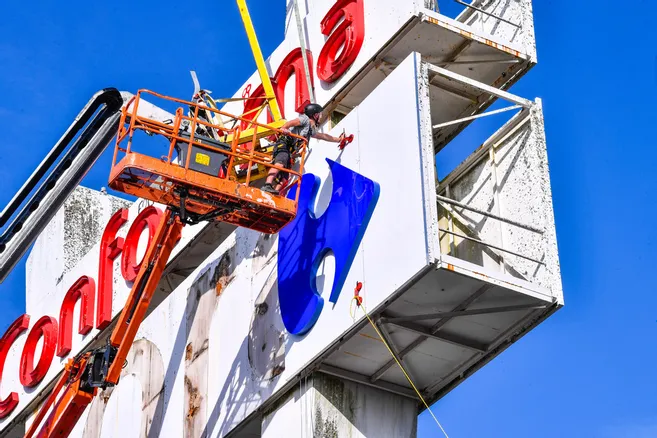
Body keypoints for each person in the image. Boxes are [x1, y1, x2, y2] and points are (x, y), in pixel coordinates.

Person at [261, 103, 344, 194]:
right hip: (284, 144)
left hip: (289, 149)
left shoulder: (311, 129)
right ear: (315, 115)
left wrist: (338, 140)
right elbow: (291, 122)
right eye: (320, 114)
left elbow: (323, 136)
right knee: (280, 163)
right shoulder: (305, 119)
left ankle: (273, 192)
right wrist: (284, 128)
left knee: (285, 176)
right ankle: (267, 185)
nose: (321, 116)